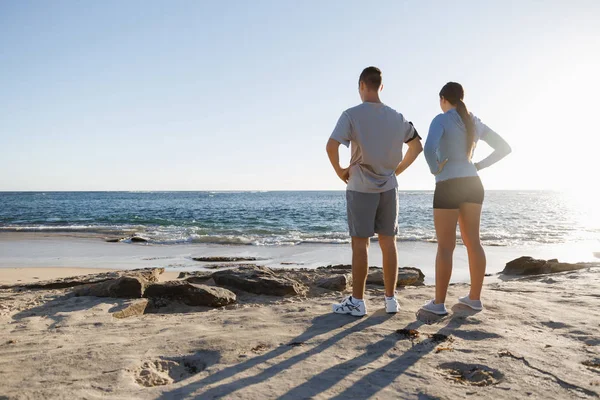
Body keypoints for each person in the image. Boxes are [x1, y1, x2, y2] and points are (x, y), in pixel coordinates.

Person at [326, 66, 423, 316]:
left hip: (360, 186)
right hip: (388, 187)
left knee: (361, 245)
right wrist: (396, 171)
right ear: (381, 86)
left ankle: (357, 302)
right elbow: (417, 147)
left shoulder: (351, 115)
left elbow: (331, 146)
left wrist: (340, 171)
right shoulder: (397, 117)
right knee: (389, 243)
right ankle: (390, 300)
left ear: (361, 86)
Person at [422, 82, 511, 315]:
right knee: (473, 243)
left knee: (445, 246)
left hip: (448, 184)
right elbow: (504, 148)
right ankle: (474, 298)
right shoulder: (474, 121)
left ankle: (439, 304)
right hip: (473, 183)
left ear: (443, 99)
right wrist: (478, 165)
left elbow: (428, 148)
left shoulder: (440, 119)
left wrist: (435, 169)